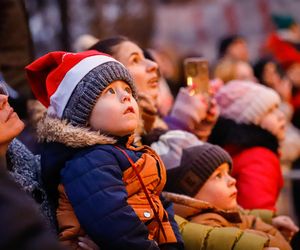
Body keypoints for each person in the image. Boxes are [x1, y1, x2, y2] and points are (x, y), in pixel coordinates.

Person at [25, 50, 183, 250]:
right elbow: (115, 223)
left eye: (127, 88)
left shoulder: (131, 153)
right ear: (82, 113)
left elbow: (162, 207)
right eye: (109, 91)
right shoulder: (87, 161)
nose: (126, 96)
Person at [152, 137, 297, 250]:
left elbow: (248, 220)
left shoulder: (226, 213)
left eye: (228, 173)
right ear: (190, 195)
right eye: (218, 176)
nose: (232, 180)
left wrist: (271, 222)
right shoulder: (207, 224)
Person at [89, 36, 219, 142]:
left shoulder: (154, 123)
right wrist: (180, 120)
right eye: (135, 60)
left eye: (145, 58)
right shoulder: (119, 137)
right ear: (109, 76)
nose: (154, 65)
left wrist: (198, 127)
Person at [209, 80, 286, 211]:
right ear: (251, 121)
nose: (280, 116)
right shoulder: (260, 157)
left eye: (277, 108)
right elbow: (260, 212)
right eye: (270, 111)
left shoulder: (237, 149)